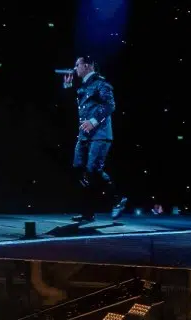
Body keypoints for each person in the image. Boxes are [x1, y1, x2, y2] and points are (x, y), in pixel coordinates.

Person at [62, 56, 124, 221]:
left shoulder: (101, 84)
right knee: (78, 170)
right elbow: (75, 107)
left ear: (87, 66)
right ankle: (87, 212)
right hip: (84, 135)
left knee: (93, 170)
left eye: (77, 65)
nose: (75, 68)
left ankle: (117, 200)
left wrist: (93, 121)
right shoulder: (84, 86)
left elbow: (110, 105)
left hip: (100, 134)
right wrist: (68, 87)